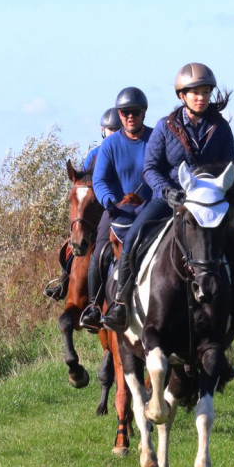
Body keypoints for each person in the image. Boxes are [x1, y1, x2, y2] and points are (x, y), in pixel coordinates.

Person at [101, 62, 234, 334]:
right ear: (181, 96)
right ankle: (120, 304)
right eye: (195, 92)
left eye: (206, 92)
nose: (201, 97)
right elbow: (150, 168)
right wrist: (166, 191)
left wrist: (220, 192)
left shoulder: (221, 128)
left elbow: (231, 166)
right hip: (172, 198)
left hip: (210, 203)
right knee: (135, 236)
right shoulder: (165, 127)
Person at [79, 87, 153, 330]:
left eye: (134, 112)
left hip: (151, 210)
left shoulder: (155, 140)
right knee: (99, 253)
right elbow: (99, 180)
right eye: (124, 112)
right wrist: (109, 200)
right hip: (117, 210)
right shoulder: (110, 145)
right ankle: (93, 306)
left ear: (143, 113)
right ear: (119, 115)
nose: (129, 116)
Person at [42, 108, 122, 300]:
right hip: (98, 207)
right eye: (109, 129)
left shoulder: (123, 150)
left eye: (116, 129)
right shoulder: (94, 154)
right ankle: (63, 281)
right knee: (75, 242)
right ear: (103, 131)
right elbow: (85, 184)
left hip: (121, 204)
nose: (112, 133)